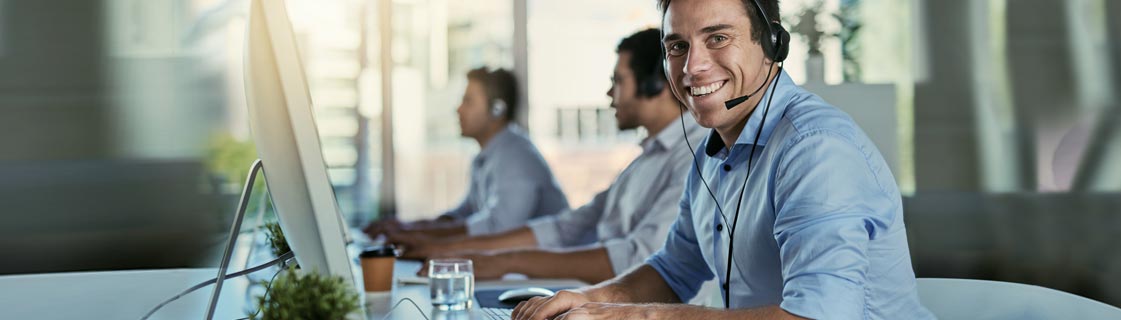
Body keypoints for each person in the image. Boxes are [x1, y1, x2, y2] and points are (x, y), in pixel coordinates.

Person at [511, 0, 935, 319]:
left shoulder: (816, 150)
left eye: (717, 38)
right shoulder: (712, 154)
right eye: (677, 45)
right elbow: (673, 270)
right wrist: (586, 300)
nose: (691, 67)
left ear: (772, 42)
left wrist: (633, 315)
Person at [401, 29, 706, 285]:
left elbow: (639, 259)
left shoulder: (694, 156)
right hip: (600, 298)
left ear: (657, 84)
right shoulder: (647, 157)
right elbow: (567, 227)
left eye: (619, 81)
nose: (610, 94)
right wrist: (453, 249)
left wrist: (503, 262)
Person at [364, 68, 569, 240]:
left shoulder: (517, 157)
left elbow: (498, 228)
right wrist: (408, 227)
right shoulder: (488, 156)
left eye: (468, 101)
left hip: (547, 279)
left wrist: (417, 233)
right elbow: (464, 215)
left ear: (497, 109)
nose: (459, 109)